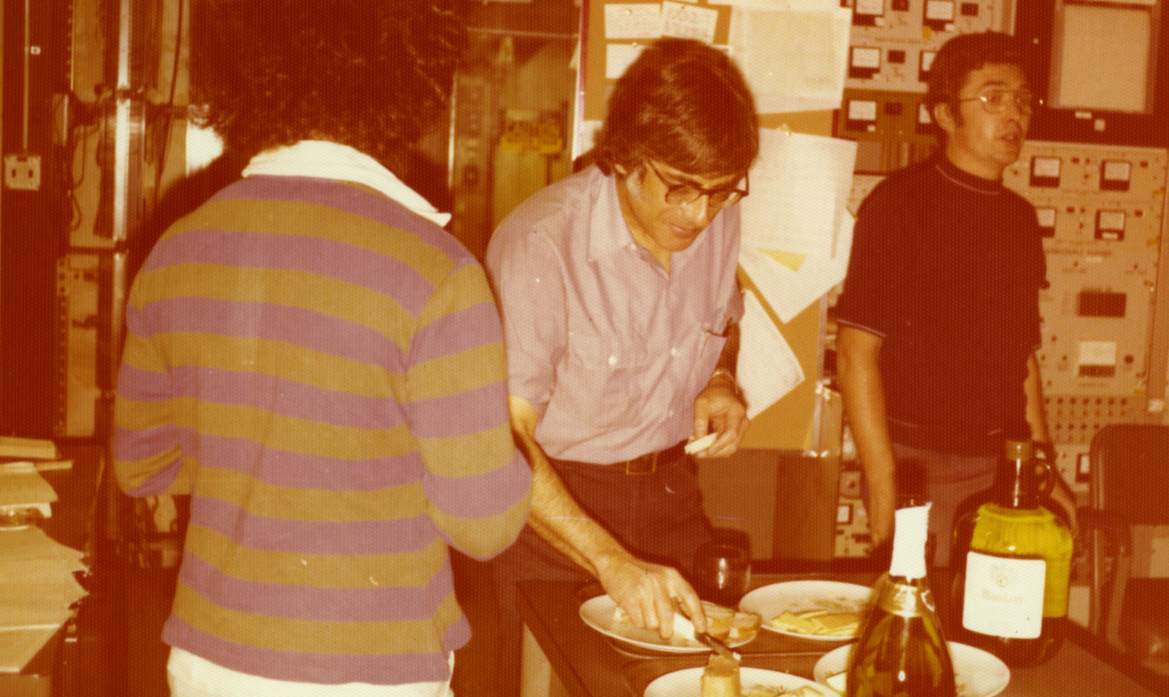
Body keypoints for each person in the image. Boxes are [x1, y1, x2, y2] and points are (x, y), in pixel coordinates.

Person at [111, 1, 531, 695]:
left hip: (208, 657)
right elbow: (484, 525)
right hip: (370, 668)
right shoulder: (436, 271)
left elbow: (140, 466)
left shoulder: (177, 249)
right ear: (407, 74)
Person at [485, 37, 758, 692]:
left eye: (720, 193)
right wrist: (610, 559)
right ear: (629, 154)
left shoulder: (716, 217)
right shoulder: (541, 243)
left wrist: (721, 374)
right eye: (681, 189)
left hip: (671, 498)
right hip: (555, 508)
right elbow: (502, 439)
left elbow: (724, 321)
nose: (698, 214)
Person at [836, 31, 1076, 568]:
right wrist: (883, 486)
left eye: (1022, 99)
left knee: (999, 628)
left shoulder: (1019, 220)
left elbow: (1023, 360)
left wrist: (1045, 467)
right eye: (992, 98)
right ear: (945, 115)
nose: (1013, 113)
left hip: (1004, 467)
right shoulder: (899, 206)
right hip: (921, 467)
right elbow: (856, 354)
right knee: (924, 633)